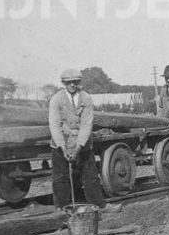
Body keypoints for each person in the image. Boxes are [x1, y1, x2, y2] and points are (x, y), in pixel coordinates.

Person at [48, 69, 121, 212]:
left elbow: (87, 125)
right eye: (69, 82)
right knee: (60, 178)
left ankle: (99, 206)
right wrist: (62, 147)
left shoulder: (86, 98)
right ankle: (62, 210)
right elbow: (54, 125)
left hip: (83, 143)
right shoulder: (56, 99)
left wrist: (78, 147)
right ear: (64, 83)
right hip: (60, 142)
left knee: (90, 176)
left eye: (75, 82)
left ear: (79, 82)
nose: (72, 85)